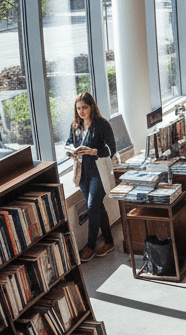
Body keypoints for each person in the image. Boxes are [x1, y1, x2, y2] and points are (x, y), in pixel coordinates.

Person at [66, 92, 117, 261]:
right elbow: (68, 143)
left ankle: (90, 245)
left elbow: (111, 149)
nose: (81, 111)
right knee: (96, 207)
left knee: (92, 205)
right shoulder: (75, 126)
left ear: (92, 107)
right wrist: (70, 151)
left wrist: (94, 151)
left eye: (85, 107)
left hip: (99, 171)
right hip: (82, 172)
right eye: (78, 108)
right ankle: (109, 241)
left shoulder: (102, 124)